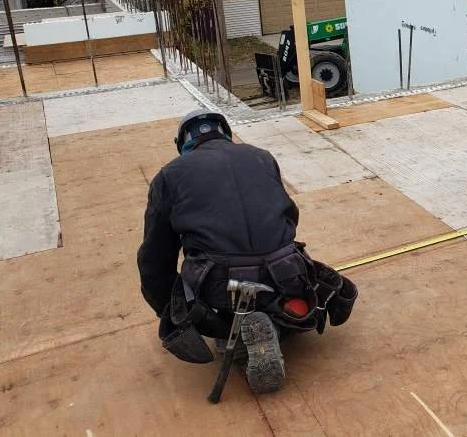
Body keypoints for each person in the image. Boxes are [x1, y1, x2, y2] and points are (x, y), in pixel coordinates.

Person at [137, 109, 357, 395]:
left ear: (183, 144)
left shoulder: (168, 176)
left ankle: (235, 328)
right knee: (291, 292)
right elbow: (289, 217)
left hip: (221, 286)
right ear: (226, 133)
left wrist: (168, 311)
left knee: (196, 293)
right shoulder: (261, 156)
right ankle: (274, 325)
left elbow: (155, 258)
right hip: (286, 273)